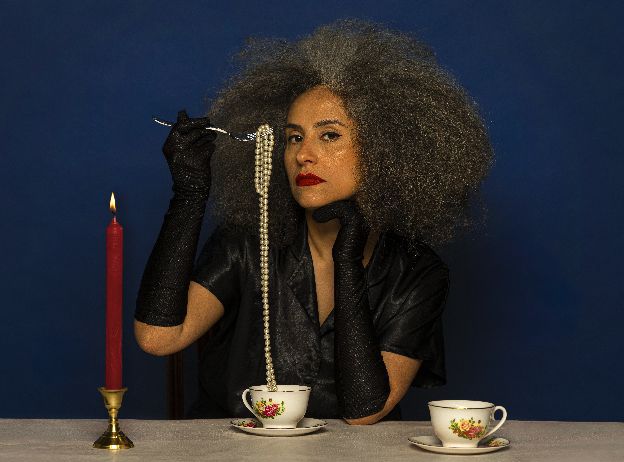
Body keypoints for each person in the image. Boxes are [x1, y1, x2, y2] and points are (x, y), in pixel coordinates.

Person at [134, 20, 493, 424]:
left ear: (385, 151)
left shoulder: (417, 272)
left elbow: (364, 414)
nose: (304, 154)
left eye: (329, 136)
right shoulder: (247, 242)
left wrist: (347, 260)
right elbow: (157, 338)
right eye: (293, 137)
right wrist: (189, 195)